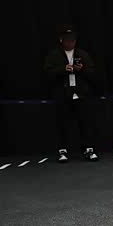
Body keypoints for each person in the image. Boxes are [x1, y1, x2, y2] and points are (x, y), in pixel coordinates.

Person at [43, 25, 99, 162]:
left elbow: (93, 73)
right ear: (61, 40)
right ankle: (63, 151)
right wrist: (63, 69)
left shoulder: (82, 54)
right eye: (67, 40)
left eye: (73, 40)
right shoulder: (54, 55)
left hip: (80, 93)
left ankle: (88, 149)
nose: (70, 43)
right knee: (62, 124)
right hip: (63, 94)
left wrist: (82, 69)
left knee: (85, 123)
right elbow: (48, 73)